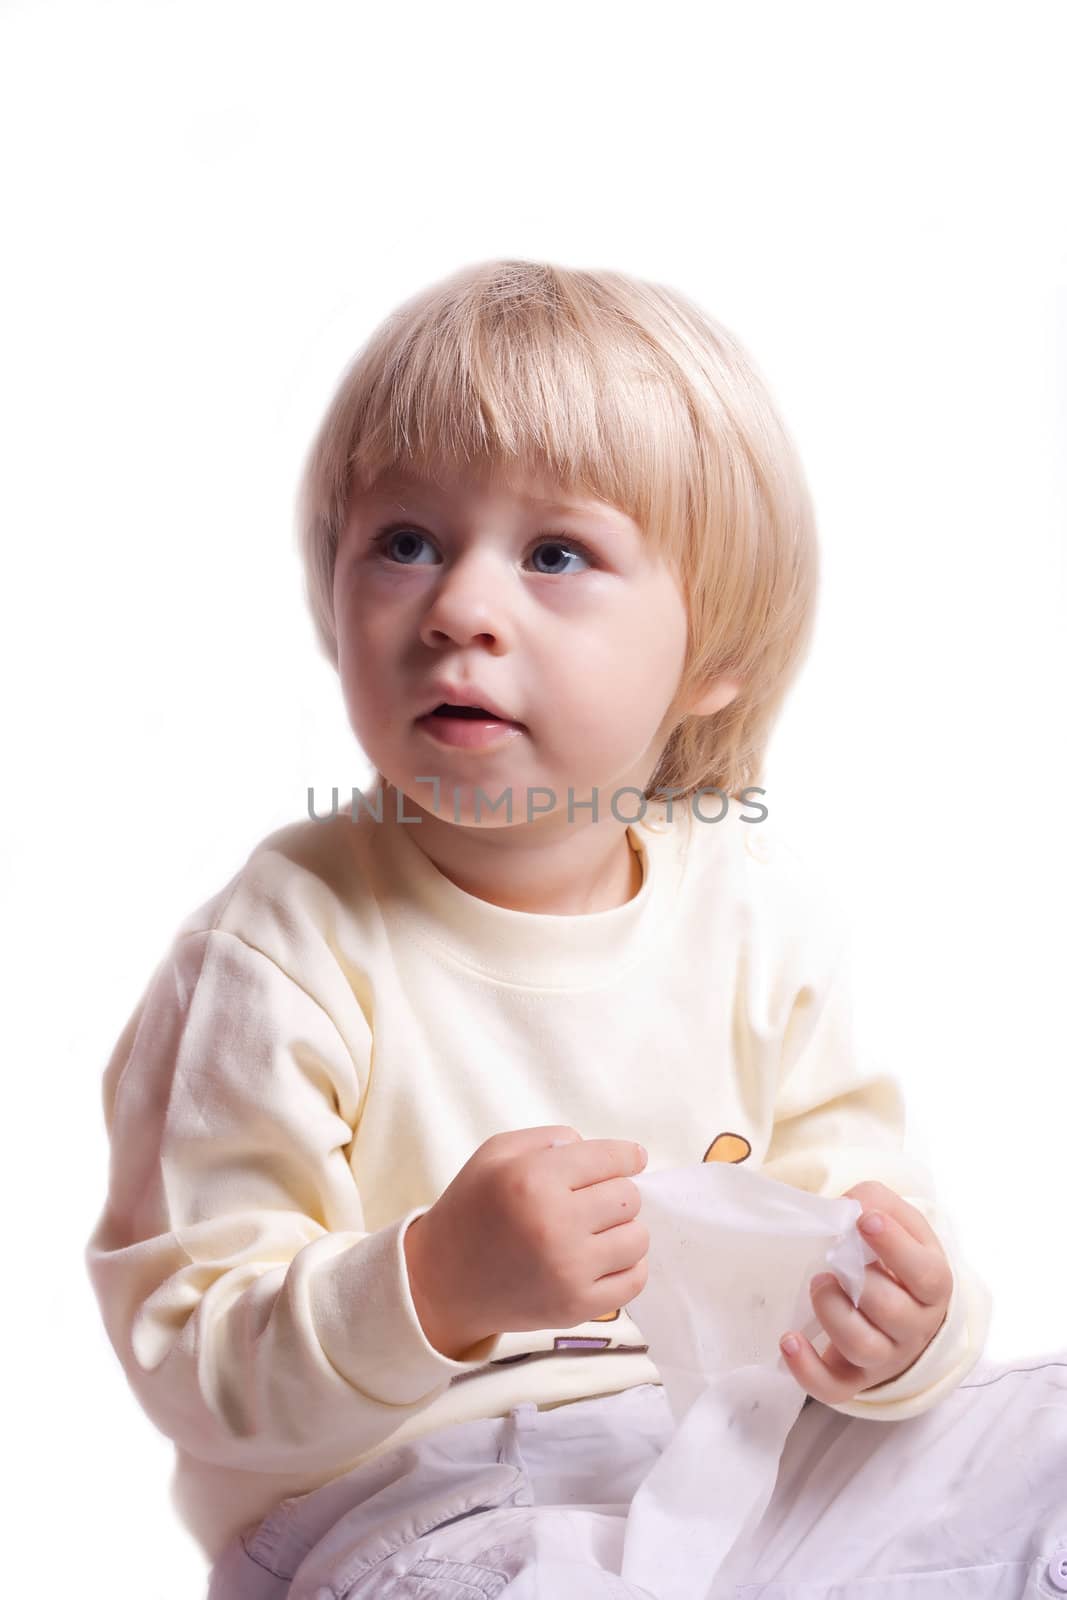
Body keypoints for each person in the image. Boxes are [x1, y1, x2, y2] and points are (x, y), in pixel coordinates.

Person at [85, 259, 1066, 1598]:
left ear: (707, 651)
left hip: (740, 1454)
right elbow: (195, 1361)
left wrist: (902, 1333)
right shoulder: (285, 947)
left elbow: (867, 1225)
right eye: (405, 541)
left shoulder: (756, 925)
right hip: (424, 1499)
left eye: (557, 554)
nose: (458, 609)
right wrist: (430, 1283)